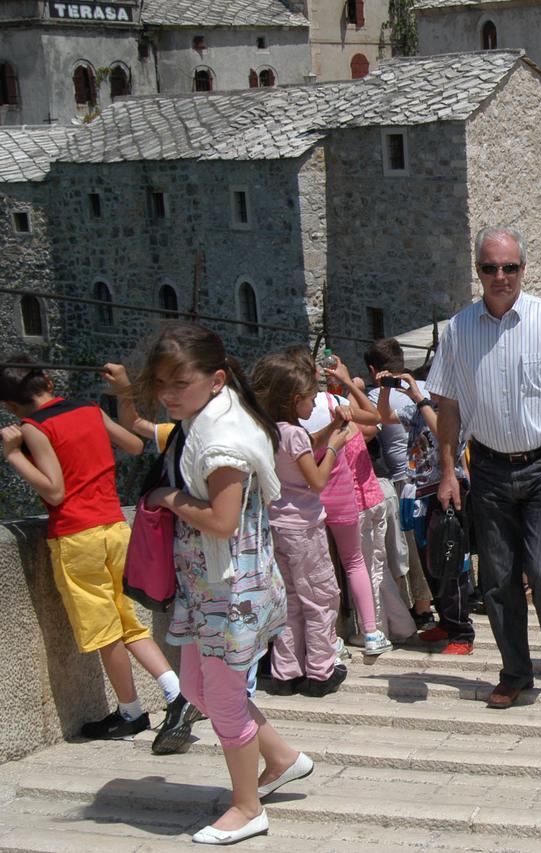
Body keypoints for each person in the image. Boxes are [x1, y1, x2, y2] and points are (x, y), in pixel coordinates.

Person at [134, 323, 308, 845]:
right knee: (194, 688)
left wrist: (166, 499)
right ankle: (281, 759)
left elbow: (222, 520)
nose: (167, 394)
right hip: (214, 586)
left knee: (226, 700)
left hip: (229, 592)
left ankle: (246, 806)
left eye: (178, 383)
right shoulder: (213, 417)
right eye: (160, 382)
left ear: (213, 380)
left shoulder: (220, 439)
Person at [426, 224, 541, 710]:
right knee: (496, 578)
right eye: (491, 267)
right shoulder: (458, 330)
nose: (501, 276)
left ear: (523, 268)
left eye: (510, 267)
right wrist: (449, 471)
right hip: (490, 469)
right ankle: (515, 670)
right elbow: (448, 403)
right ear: (478, 271)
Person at [0, 357, 189, 751]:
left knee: (105, 632)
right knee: (129, 621)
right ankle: (175, 692)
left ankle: (130, 712)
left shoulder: (36, 428)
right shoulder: (87, 410)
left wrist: (15, 455)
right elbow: (135, 444)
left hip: (76, 536)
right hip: (115, 527)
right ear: (49, 379)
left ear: (10, 407)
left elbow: (53, 491)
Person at [251, 354, 353, 697]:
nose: (315, 403)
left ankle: (286, 671)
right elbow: (317, 480)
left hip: (277, 525)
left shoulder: (270, 431)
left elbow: (306, 447)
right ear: (295, 399)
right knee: (321, 597)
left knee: (291, 600)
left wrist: (330, 431)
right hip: (304, 529)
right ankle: (321, 671)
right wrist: (336, 447)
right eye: (311, 397)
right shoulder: (293, 433)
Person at [293, 350, 392, 662]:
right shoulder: (332, 403)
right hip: (342, 493)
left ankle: (330, 639)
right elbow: (375, 418)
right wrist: (348, 382)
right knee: (353, 562)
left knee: (319, 571)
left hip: (308, 497)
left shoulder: (286, 415)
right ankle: (372, 633)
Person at [377, 369, 476, 655]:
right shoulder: (416, 409)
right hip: (418, 492)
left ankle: (462, 631)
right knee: (431, 562)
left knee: (452, 562)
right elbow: (384, 416)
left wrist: (420, 398)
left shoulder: (455, 410)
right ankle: (446, 621)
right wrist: (385, 389)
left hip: (446, 492)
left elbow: (441, 431)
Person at [365, 338, 436, 630]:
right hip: (432, 478)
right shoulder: (424, 391)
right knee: (430, 542)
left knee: (411, 548)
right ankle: (433, 604)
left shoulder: (374, 395)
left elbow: (371, 427)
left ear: (373, 370)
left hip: (403, 480)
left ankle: (421, 608)